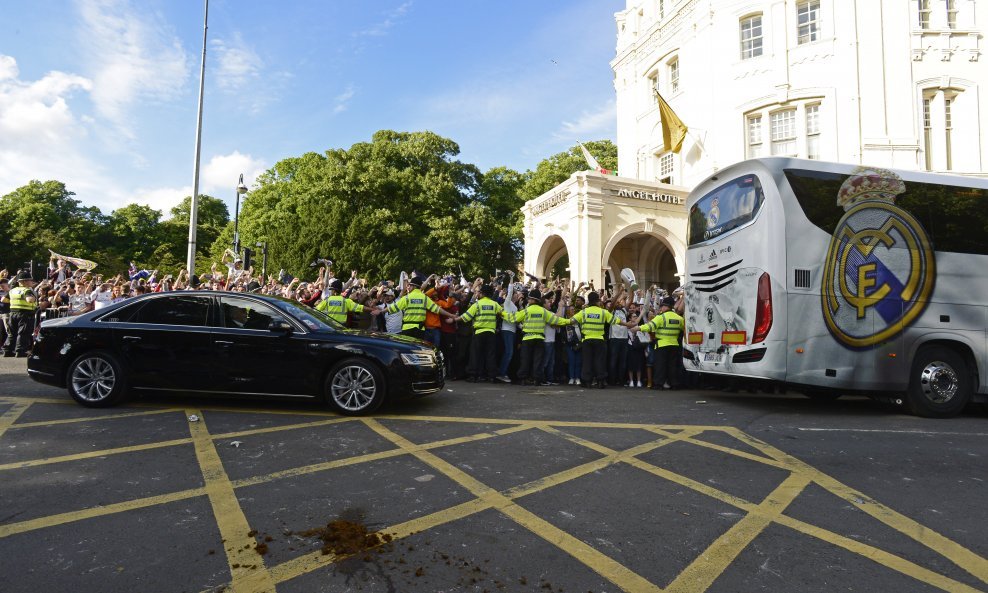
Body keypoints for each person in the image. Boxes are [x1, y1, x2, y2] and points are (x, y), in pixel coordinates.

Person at [508, 289, 570, 386]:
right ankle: (537, 379)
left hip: (527, 339)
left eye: (529, 299)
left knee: (525, 360)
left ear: (533, 300)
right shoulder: (543, 311)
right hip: (539, 339)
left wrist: (501, 313)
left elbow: (513, 318)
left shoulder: (527, 310)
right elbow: (556, 320)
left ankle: (523, 378)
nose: (528, 300)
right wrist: (569, 321)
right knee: (538, 361)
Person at [631, 296, 684, 390]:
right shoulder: (679, 318)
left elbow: (650, 326)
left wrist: (638, 328)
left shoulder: (661, 317)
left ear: (666, 306)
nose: (661, 308)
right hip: (675, 345)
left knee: (660, 365)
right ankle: (674, 384)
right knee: (673, 366)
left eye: (662, 306)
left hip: (662, 345)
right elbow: (684, 329)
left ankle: (659, 384)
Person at [380, 274, 455, 339]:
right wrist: (450, 315)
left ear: (413, 286)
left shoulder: (407, 297)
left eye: (410, 285)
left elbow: (393, 307)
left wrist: (380, 311)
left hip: (407, 329)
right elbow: (438, 309)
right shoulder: (424, 298)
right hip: (420, 330)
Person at [457, 284, 506, 382]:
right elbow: (503, 314)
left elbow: (466, 317)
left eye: (479, 292)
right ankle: (491, 376)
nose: (478, 294)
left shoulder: (477, 304)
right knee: (490, 355)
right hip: (491, 333)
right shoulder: (495, 304)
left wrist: (454, 319)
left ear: (483, 293)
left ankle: (473, 375)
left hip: (479, 333)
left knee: (475, 354)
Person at [568, 291, 617, 388]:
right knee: (600, 361)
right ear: (597, 300)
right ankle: (600, 381)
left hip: (587, 340)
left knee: (587, 361)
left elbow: (571, 320)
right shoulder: (603, 312)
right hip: (600, 339)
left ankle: (587, 382)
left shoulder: (584, 312)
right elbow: (615, 321)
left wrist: (559, 321)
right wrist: (629, 324)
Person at [1, 273, 38, 357]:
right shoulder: (27, 290)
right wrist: (34, 298)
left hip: (13, 313)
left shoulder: (13, 290)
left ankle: (8, 350)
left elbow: (3, 299)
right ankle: (20, 351)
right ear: (24, 281)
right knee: (23, 332)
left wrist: (15, 302)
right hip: (25, 314)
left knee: (11, 333)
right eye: (30, 280)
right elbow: (30, 300)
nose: (31, 282)